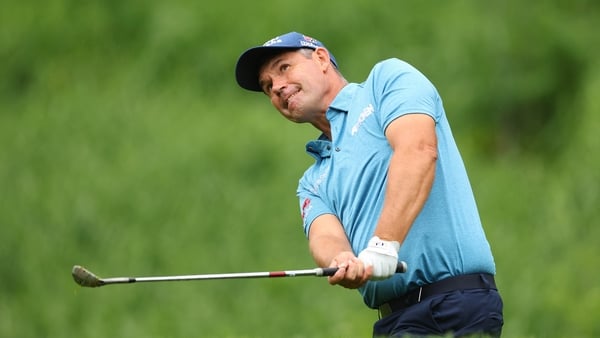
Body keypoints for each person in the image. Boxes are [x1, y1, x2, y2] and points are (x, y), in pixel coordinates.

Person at [235, 32, 504, 337]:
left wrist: (383, 245)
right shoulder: (312, 181)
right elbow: (324, 236)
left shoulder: (386, 82)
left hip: (454, 302)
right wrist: (341, 260)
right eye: (267, 87)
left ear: (321, 59)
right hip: (393, 322)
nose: (278, 88)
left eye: (284, 68)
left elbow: (418, 150)